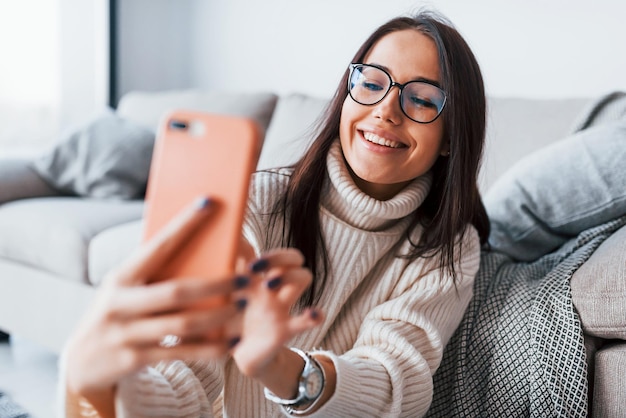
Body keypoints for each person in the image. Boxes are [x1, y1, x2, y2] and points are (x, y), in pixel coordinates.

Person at [62, 9, 490, 418]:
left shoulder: (447, 246)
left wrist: (279, 366)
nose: (386, 110)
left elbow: (395, 387)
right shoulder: (259, 204)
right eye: (372, 82)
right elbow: (186, 372)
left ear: (452, 136)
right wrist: (102, 390)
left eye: (420, 99)